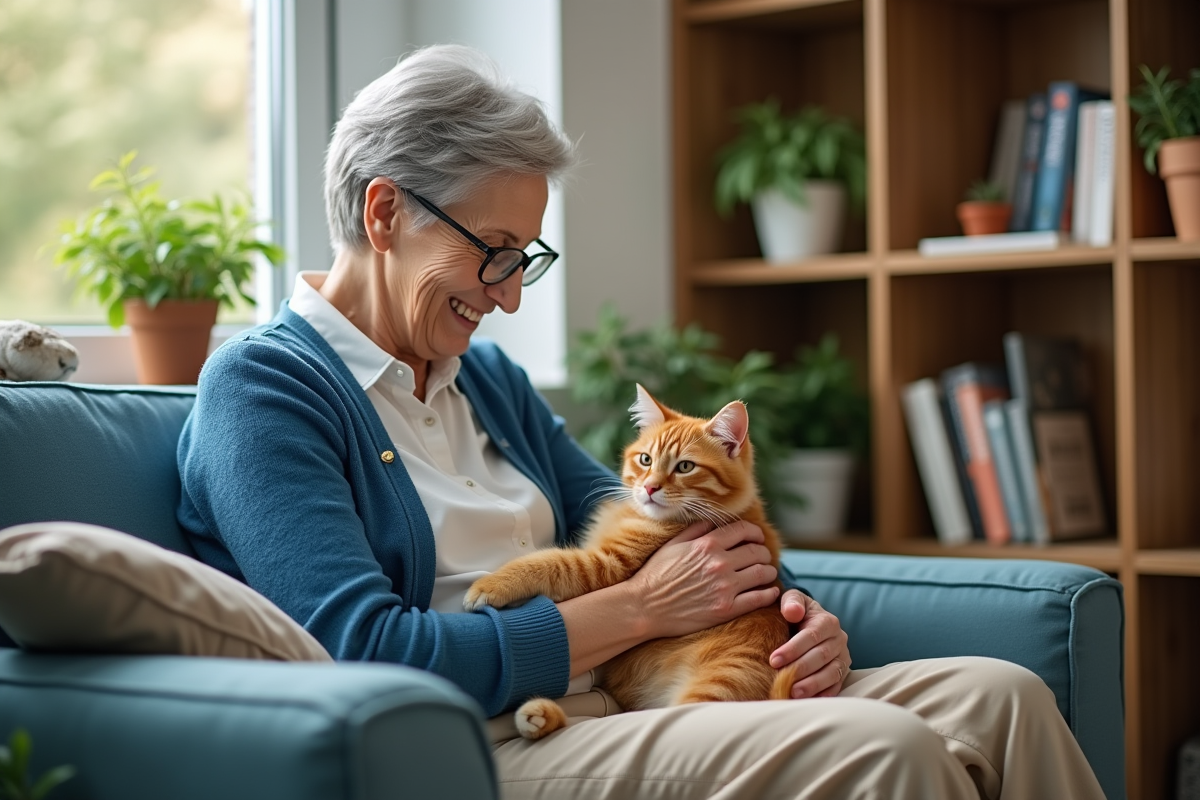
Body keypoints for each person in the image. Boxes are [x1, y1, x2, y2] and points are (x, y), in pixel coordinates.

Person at [176, 44, 1106, 799]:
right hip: (491, 738)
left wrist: (793, 613)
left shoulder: (483, 379)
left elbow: (658, 522)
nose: (505, 301)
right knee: (885, 749)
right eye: (494, 255)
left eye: (524, 260)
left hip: (637, 684)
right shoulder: (264, 391)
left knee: (1005, 695)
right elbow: (364, 651)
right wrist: (634, 610)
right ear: (385, 213)